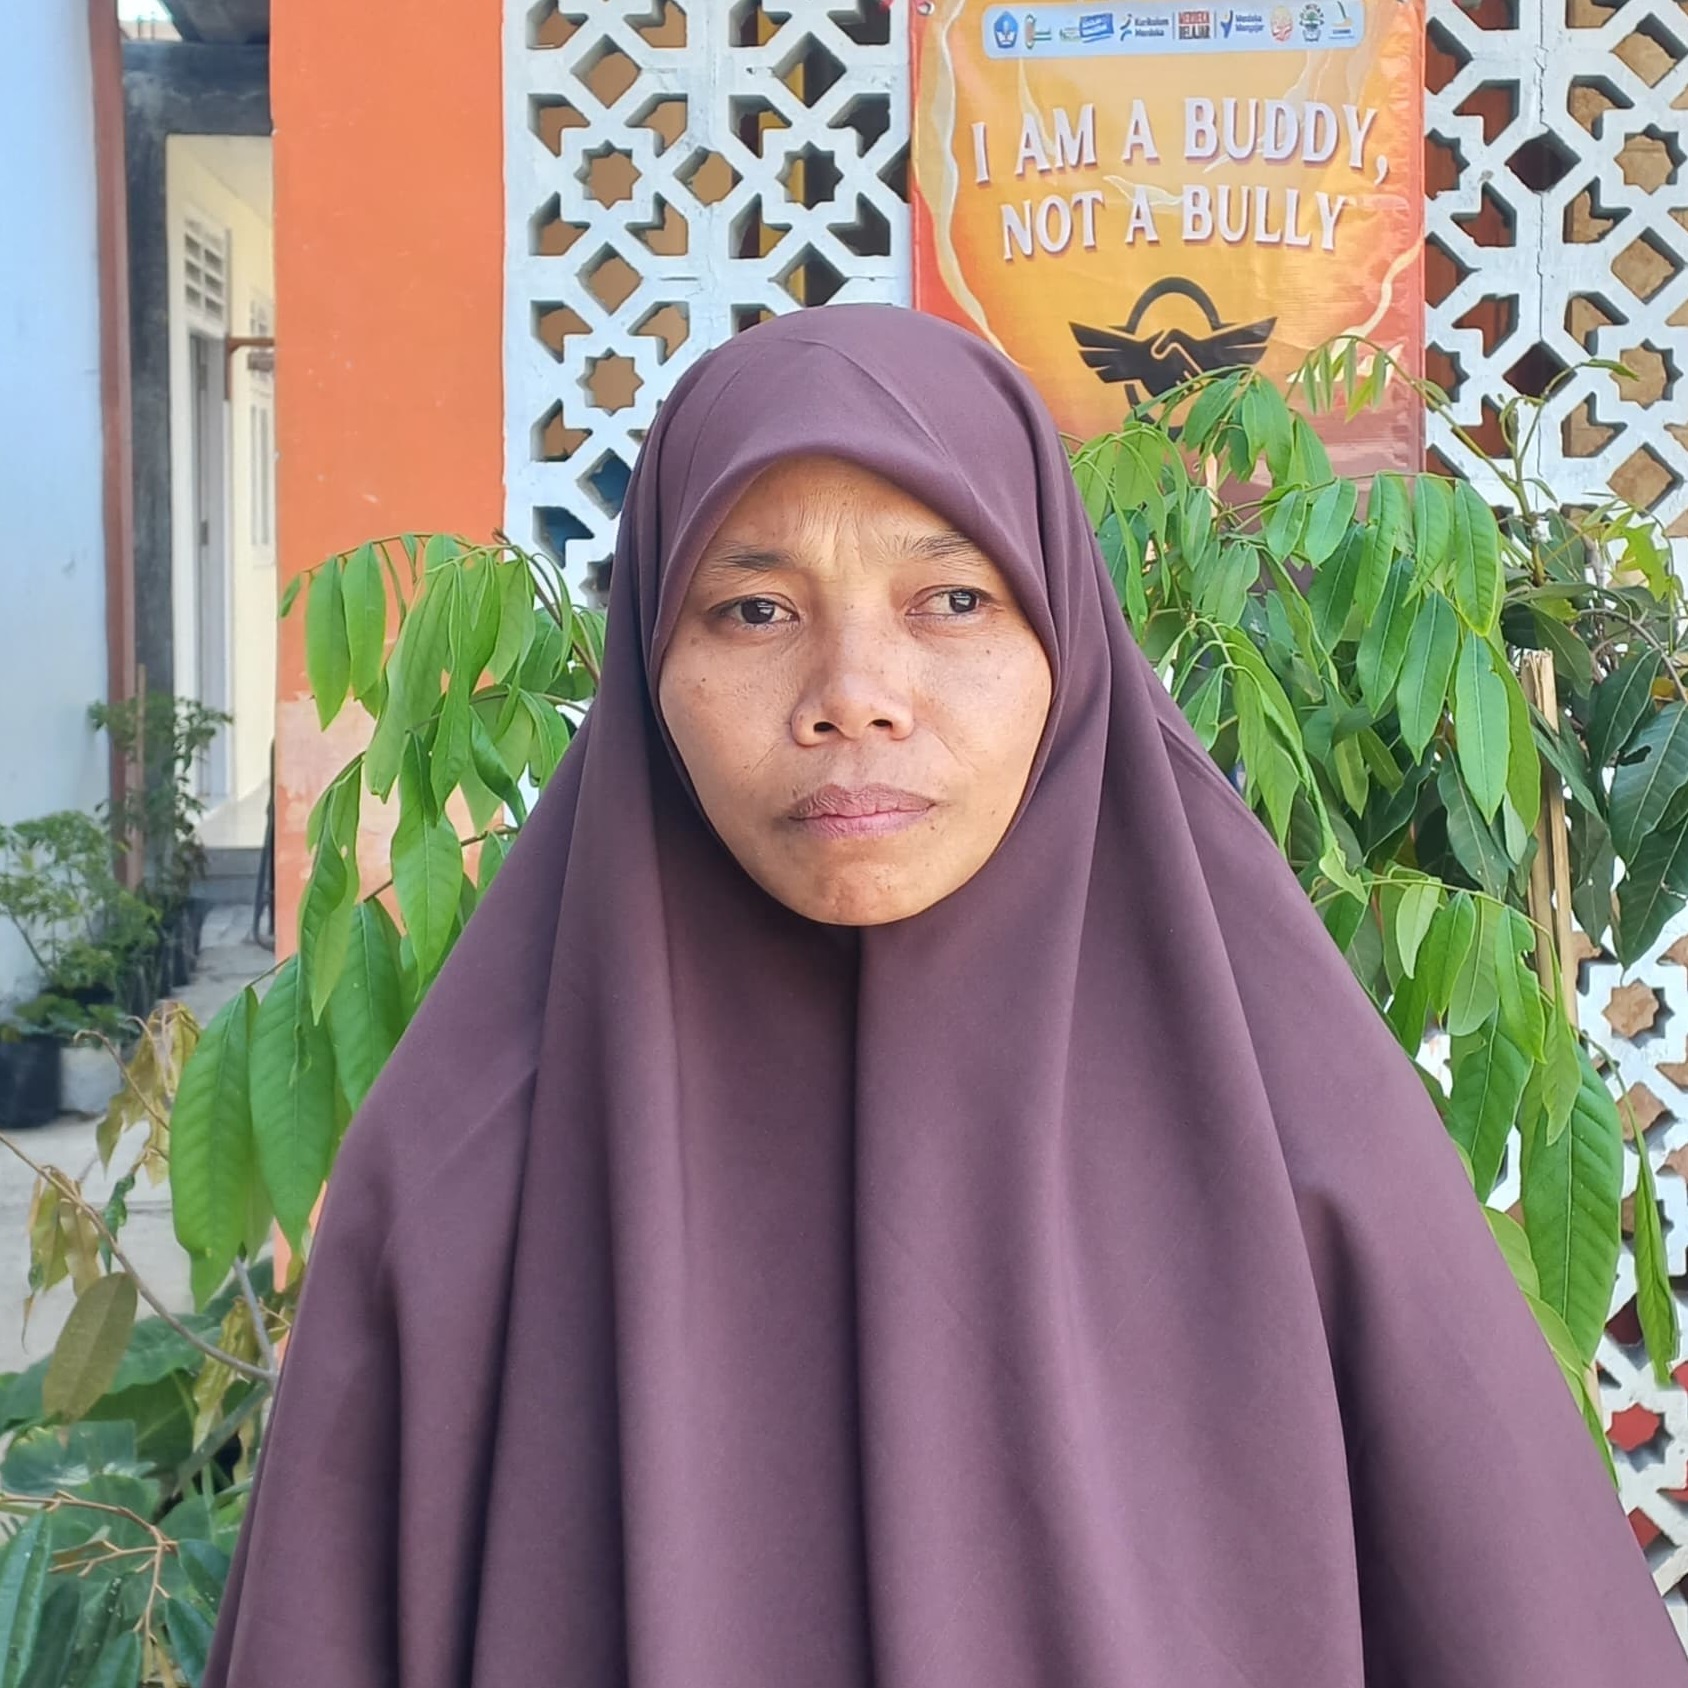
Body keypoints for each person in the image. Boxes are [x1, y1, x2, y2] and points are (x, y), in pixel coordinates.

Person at [203, 304, 1687, 1686]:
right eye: (753, 610)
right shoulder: (463, 1185)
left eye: (954, 598)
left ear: (1066, 643)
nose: (854, 692)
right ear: (649, 661)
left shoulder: (1295, 1128)